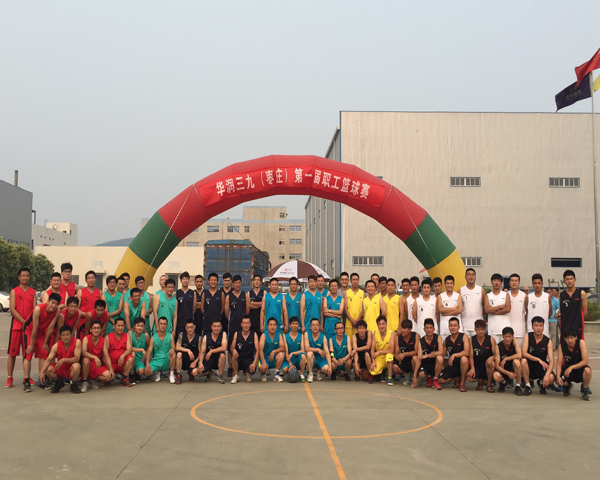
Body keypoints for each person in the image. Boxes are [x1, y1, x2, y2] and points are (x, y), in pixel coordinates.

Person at [23, 294, 63, 391]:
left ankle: (42, 379)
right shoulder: (38, 309)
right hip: (30, 331)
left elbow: (51, 327)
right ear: (48, 301)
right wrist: (31, 344)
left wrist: (45, 342)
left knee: (44, 353)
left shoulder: (57, 310)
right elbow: (34, 327)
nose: (53, 305)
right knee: (28, 354)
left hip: (41, 333)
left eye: (56, 304)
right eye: (52, 303)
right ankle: (26, 381)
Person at [7, 267, 37, 388]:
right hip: (16, 326)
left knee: (27, 353)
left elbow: (35, 309)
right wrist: (22, 320)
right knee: (12, 353)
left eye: (27, 276)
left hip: (28, 328)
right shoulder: (14, 291)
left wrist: (29, 322)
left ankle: (27, 377)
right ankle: (10, 377)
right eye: (23, 275)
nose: (25, 277)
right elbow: (12, 309)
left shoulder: (33, 292)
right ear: (19, 277)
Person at [40, 325, 82, 394]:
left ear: (71, 335)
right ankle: (59, 382)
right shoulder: (56, 346)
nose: (65, 337)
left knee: (77, 366)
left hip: (71, 368)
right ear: (60, 336)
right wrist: (42, 372)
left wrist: (63, 360)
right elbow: (48, 359)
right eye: (63, 335)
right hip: (61, 368)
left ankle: (73, 384)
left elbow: (77, 358)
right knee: (48, 370)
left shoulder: (77, 342)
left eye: (67, 335)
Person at [521, 316, 555, 396]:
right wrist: (538, 360)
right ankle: (528, 386)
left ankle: (541, 383)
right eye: (536, 325)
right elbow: (524, 353)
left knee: (551, 378)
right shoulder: (527, 336)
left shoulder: (548, 341)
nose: (538, 328)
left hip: (542, 367)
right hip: (530, 365)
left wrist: (547, 375)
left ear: (543, 327)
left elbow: (552, 361)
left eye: (541, 326)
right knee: (523, 361)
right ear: (532, 327)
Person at [225, 274, 249, 377]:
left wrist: (244, 323)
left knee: (243, 345)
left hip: (243, 326)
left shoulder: (245, 295)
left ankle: (243, 366)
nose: (237, 284)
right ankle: (230, 367)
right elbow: (226, 312)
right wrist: (232, 320)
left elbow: (247, 310)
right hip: (233, 325)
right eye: (236, 283)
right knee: (231, 346)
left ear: (241, 283)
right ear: (233, 284)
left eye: (239, 283)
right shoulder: (229, 296)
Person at [556, 331, 592, 401]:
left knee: (588, 371)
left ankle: (584, 389)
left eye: (571, 338)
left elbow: (585, 361)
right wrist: (557, 376)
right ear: (564, 338)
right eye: (567, 338)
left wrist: (571, 367)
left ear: (575, 337)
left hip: (579, 369)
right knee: (558, 380)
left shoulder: (581, 343)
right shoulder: (561, 346)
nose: (570, 340)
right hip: (567, 370)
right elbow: (559, 363)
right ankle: (567, 385)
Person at [81, 319, 114, 392]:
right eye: (94, 328)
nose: (96, 330)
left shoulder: (103, 340)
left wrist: (111, 368)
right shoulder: (86, 338)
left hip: (97, 365)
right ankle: (84, 382)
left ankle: (92, 379)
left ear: (101, 329)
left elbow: (106, 355)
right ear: (90, 330)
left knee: (108, 376)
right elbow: (83, 352)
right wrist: (94, 357)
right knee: (86, 360)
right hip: (86, 365)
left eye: (98, 328)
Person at [438, 317, 470, 391]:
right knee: (441, 380)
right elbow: (442, 355)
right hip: (453, 365)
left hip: (463, 364)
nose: (453, 327)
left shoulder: (464, 337)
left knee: (464, 359)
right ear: (449, 327)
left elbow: (467, 352)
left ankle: (462, 383)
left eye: (455, 325)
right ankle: (456, 378)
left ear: (458, 327)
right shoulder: (446, 340)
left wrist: (454, 355)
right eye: (451, 326)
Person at [468, 319, 497, 393]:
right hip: (477, 365)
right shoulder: (471, 339)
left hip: (487, 365)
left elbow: (496, 355)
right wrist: (472, 368)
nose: (480, 331)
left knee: (491, 363)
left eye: (482, 329)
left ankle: (489, 385)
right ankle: (480, 380)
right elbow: (471, 355)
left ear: (485, 329)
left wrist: (491, 358)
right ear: (475, 329)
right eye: (478, 329)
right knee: (469, 378)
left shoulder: (491, 339)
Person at [413, 318, 443, 390]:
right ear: (424, 329)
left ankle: (435, 380)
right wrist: (414, 376)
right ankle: (429, 376)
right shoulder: (421, 341)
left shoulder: (438, 338)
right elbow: (419, 358)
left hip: (434, 364)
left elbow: (441, 352)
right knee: (421, 374)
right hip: (426, 364)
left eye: (430, 328)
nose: (429, 330)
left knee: (440, 358)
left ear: (434, 329)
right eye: (427, 328)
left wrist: (427, 355)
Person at [144, 317, 176, 383]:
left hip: (166, 359)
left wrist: (172, 350)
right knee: (147, 372)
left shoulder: (170, 336)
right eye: (161, 324)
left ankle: (171, 374)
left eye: (164, 324)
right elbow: (149, 352)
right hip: (157, 360)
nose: (163, 326)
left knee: (173, 355)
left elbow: (174, 348)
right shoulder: (153, 338)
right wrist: (147, 363)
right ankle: (157, 372)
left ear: (166, 325)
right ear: (158, 325)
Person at [492, 326, 523, 395]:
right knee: (496, 376)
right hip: (503, 370)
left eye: (509, 336)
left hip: (512, 368)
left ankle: (518, 386)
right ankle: (503, 382)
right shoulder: (498, 346)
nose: (508, 339)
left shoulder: (514, 341)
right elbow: (497, 366)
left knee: (517, 362)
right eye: (506, 336)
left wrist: (506, 358)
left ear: (512, 336)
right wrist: (508, 373)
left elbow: (519, 355)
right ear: (503, 336)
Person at [105, 318, 134, 386]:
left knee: (130, 358)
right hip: (111, 364)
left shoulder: (126, 335)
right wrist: (110, 367)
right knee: (107, 378)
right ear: (114, 326)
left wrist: (123, 356)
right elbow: (105, 354)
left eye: (122, 326)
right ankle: (109, 377)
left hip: (122, 363)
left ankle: (124, 378)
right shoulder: (108, 337)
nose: (120, 328)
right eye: (118, 326)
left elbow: (129, 349)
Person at [230, 316, 259, 383]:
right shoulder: (236, 334)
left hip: (249, 359)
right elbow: (231, 347)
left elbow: (258, 350)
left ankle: (248, 373)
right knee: (233, 358)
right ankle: (236, 375)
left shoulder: (254, 334)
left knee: (252, 368)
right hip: (239, 358)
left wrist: (254, 363)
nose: (246, 325)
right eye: (244, 323)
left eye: (247, 323)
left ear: (250, 324)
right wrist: (233, 350)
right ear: (241, 324)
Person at [197, 319, 227, 383]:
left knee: (222, 355)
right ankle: (209, 372)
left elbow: (224, 347)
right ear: (211, 327)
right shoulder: (206, 337)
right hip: (209, 359)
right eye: (215, 326)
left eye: (218, 326)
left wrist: (211, 351)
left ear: (221, 327)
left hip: (218, 359)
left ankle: (220, 375)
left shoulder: (223, 334)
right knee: (199, 372)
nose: (216, 328)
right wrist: (200, 363)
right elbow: (202, 352)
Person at [559, 270, 587, 339]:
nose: (569, 281)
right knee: (564, 345)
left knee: (579, 344)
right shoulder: (562, 295)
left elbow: (585, 312)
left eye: (571, 279)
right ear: (564, 281)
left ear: (575, 280)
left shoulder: (581, 293)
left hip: (577, 327)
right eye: (567, 279)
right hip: (565, 327)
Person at [484, 273, 511, 343]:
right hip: (493, 329)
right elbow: (486, 310)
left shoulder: (505, 294)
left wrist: (493, 311)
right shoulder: (488, 296)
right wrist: (500, 306)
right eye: (495, 280)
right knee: (494, 348)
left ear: (501, 283)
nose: (496, 283)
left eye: (498, 281)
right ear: (491, 282)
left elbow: (508, 309)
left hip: (504, 328)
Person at [459, 268, 485, 338]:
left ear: (475, 277)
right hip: (465, 326)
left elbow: (485, 307)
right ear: (465, 277)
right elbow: (459, 308)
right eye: (469, 275)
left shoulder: (481, 290)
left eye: (473, 275)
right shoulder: (461, 290)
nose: (471, 277)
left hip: (478, 327)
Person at [369, 315, 395, 385]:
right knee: (373, 371)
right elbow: (372, 348)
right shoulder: (375, 333)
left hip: (388, 355)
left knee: (389, 357)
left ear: (386, 324)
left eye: (383, 324)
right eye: (379, 324)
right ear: (377, 325)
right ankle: (383, 371)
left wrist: (379, 351)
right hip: (380, 356)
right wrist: (373, 361)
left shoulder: (391, 333)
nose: (381, 326)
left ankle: (389, 378)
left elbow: (392, 350)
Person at [305, 318, 332, 382]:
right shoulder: (306, 334)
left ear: (319, 326)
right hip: (312, 358)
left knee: (326, 368)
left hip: (320, 358)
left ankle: (318, 370)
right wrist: (318, 349)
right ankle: (310, 374)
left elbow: (327, 352)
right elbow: (307, 348)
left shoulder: (323, 337)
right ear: (310, 327)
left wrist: (330, 366)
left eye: (317, 325)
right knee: (309, 353)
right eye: (313, 325)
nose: (315, 327)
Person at [259, 318, 285, 382]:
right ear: (267, 326)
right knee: (262, 368)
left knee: (281, 354)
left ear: (276, 326)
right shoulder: (264, 335)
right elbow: (260, 350)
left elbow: (283, 348)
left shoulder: (279, 335)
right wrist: (264, 363)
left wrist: (274, 351)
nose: (272, 327)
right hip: (265, 358)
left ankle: (276, 374)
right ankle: (263, 374)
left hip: (273, 358)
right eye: (270, 325)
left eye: (274, 325)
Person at [392, 319, 418, 385]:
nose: (402, 330)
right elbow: (396, 353)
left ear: (410, 329)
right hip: (404, 360)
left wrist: (404, 354)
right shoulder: (398, 338)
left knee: (415, 358)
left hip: (412, 360)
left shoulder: (416, 336)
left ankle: (414, 376)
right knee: (395, 367)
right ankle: (406, 374)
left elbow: (416, 351)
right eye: (402, 328)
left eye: (405, 328)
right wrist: (398, 357)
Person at [437, 275, 463, 341]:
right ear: (445, 284)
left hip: (456, 328)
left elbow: (459, 310)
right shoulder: (440, 296)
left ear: (453, 284)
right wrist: (454, 308)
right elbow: (441, 309)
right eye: (447, 283)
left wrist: (446, 313)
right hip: (444, 327)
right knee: (444, 346)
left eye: (451, 283)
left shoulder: (458, 296)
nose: (449, 285)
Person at [175, 319, 200, 383]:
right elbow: (177, 347)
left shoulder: (198, 338)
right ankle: (178, 374)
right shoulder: (181, 335)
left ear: (194, 327)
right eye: (188, 327)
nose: (190, 329)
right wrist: (188, 350)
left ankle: (190, 373)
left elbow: (201, 353)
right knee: (179, 354)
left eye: (191, 327)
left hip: (192, 361)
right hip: (183, 360)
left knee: (195, 372)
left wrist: (195, 362)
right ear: (185, 328)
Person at [282, 316, 307, 382]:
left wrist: (292, 353)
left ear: (298, 325)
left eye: (296, 324)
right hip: (289, 359)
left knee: (303, 355)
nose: (295, 326)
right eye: (293, 324)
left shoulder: (301, 336)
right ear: (290, 325)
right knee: (284, 370)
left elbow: (302, 350)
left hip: (298, 358)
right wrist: (290, 364)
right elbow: (286, 352)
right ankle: (292, 371)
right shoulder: (285, 336)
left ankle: (301, 373)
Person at [506, 274, 527, 347]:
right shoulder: (505, 295)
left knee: (519, 352)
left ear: (519, 283)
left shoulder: (524, 296)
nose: (514, 282)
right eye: (512, 281)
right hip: (508, 330)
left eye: (516, 281)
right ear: (509, 283)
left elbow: (527, 312)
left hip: (520, 330)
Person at [528, 274, 551, 338]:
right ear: (532, 284)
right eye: (535, 283)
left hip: (544, 330)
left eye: (539, 283)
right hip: (531, 330)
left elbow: (550, 312)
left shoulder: (547, 296)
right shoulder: (528, 297)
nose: (537, 285)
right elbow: (526, 312)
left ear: (542, 284)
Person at [200, 273, 223, 337]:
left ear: (217, 281)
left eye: (215, 280)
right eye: (212, 280)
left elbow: (223, 308)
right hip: (207, 323)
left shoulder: (221, 293)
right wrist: (207, 315)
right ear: (208, 281)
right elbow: (202, 309)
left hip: (217, 323)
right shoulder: (204, 294)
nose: (213, 282)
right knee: (206, 340)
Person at [175, 272, 196, 340]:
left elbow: (194, 308)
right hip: (180, 321)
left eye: (186, 279)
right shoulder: (177, 293)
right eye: (183, 279)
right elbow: (175, 308)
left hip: (189, 321)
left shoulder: (193, 293)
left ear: (189, 280)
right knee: (180, 339)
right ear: (181, 280)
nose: (185, 281)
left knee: (189, 339)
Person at [344, 272, 364, 338]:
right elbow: (345, 309)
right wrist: (352, 320)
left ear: (358, 281)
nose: (355, 281)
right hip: (349, 322)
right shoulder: (347, 293)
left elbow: (363, 309)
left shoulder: (362, 293)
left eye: (356, 280)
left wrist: (357, 320)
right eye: (353, 280)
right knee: (349, 341)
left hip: (359, 322)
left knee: (358, 341)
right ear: (350, 281)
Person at [129, 317, 149, 383]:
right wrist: (141, 349)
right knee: (133, 354)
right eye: (138, 326)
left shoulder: (146, 335)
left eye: (142, 326)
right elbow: (129, 348)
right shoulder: (130, 334)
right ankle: (131, 374)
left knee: (141, 371)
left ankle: (136, 374)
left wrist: (145, 357)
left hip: (140, 359)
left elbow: (149, 347)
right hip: (131, 357)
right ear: (134, 326)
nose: (140, 328)